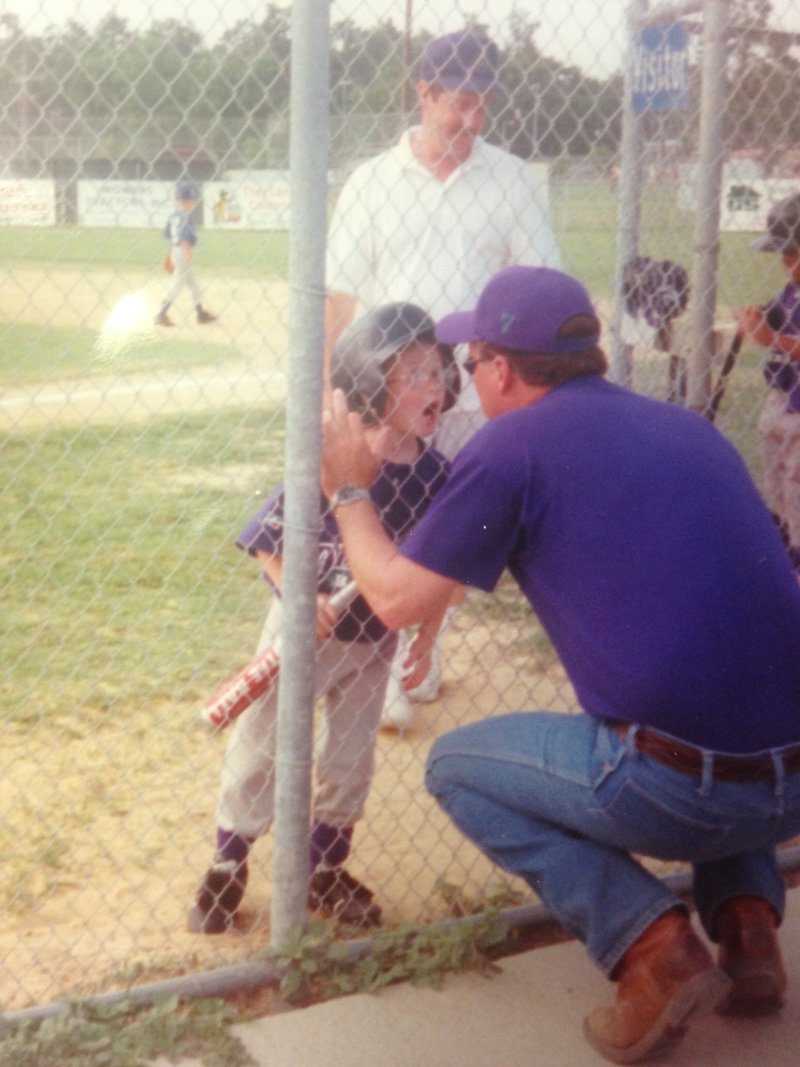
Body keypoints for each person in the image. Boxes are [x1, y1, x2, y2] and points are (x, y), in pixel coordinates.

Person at [320, 265, 800, 1063]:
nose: (466, 382)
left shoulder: (514, 444)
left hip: (678, 788)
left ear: (503, 368)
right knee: (726, 675)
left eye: (469, 364)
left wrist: (348, 492)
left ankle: (652, 946)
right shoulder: (689, 428)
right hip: (793, 788)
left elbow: (397, 599)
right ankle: (749, 927)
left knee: (456, 766)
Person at [188, 303, 455, 934]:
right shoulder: (332, 460)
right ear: (368, 383)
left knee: (351, 758)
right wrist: (299, 601)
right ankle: (229, 862)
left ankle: (324, 868)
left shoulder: (436, 477)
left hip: (374, 645)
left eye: (437, 371)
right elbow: (265, 542)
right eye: (411, 374)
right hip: (302, 635)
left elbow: (440, 566)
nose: (433, 385)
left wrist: (429, 631)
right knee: (261, 745)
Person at [326, 29, 562, 726]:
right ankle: (388, 657)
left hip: (473, 390)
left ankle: (416, 657)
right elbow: (337, 299)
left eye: (483, 105)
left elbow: (539, 282)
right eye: (459, 103)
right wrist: (325, 392)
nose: (472, 120)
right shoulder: (372, 182)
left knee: (453, 533)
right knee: (389, 521)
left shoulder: (512, 179)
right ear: (424, 94)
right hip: (385, 394)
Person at [738, 191, 800, 576]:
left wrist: (770, 339)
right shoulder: (794, 289)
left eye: (792, 255)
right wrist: (760, 313)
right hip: (783, 398)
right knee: (778, 489)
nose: (784, 262)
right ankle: (789, 555)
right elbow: (779, 310)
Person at [155, 182, 217, 327]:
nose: (192, 202)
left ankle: (201, 313)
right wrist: (188, 252)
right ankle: (161, 313)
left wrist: (171, 253)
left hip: (175, 251)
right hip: (183, 251)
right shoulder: (186, 217)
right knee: (178, 282)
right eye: (191, 200)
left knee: (193, 284)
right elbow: (184, 237)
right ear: (188, 201)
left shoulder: (173, 216)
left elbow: (167, 235)